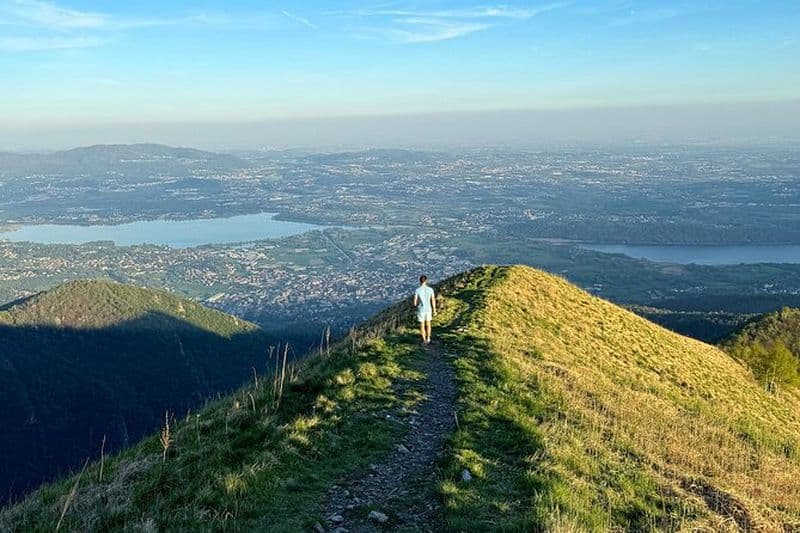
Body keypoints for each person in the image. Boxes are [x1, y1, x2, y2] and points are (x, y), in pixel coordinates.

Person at [413, 275, 436, 344]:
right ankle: (428, 338)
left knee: (422, 325)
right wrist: (434, 309)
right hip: (429, 309)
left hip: (421, 309)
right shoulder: (430, 289)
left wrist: (416, 305)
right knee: (428, 324)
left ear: (419, 281)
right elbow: (433, 300)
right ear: (426, 281)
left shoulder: (417, 290)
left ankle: (424, 340)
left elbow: (414, 303)